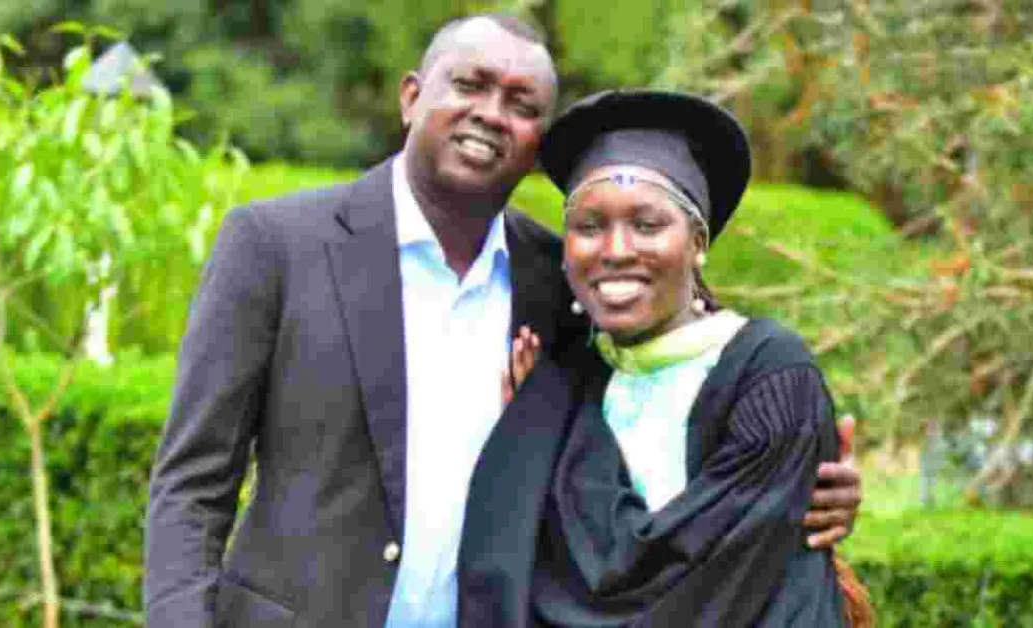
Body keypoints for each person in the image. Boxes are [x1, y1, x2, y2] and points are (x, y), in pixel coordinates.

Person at [145, 14, 862, 627]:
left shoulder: (562, 282)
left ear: (536, 142)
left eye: (522, 104)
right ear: (411, 97)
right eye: (470, 85)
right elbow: (192, 486)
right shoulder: (278, 245)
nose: (491, 113)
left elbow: (638, 436)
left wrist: (803, 480)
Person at [459, 90, 874, 626]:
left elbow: (710, 587)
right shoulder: (562, 377)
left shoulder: (770, 374)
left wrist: (549, 438)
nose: (615, 250)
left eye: (648, 225)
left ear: (697, 242)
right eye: (589, 227)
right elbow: (504, 569)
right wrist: (531, 436)